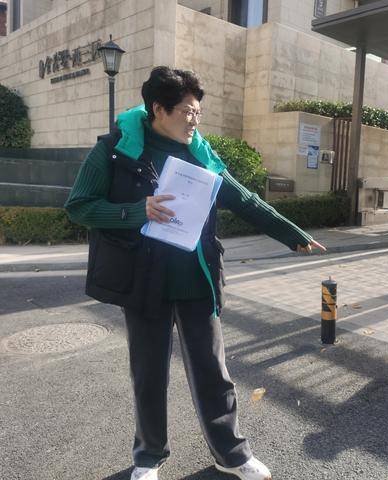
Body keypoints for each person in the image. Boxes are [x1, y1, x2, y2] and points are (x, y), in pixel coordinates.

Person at [65, 66, 325, 480]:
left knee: (212, 371)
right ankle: (148, 456)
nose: (194, 121)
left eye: (198, 113)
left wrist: (292, 234)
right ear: (159, 109)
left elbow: (244, 199)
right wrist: (135, 211)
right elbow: (79, 205)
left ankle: (232, 454)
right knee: (148, 374)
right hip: (143, 280)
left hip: (196, 278)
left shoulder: (200, 152)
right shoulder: (116, 150)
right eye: (187, 111)